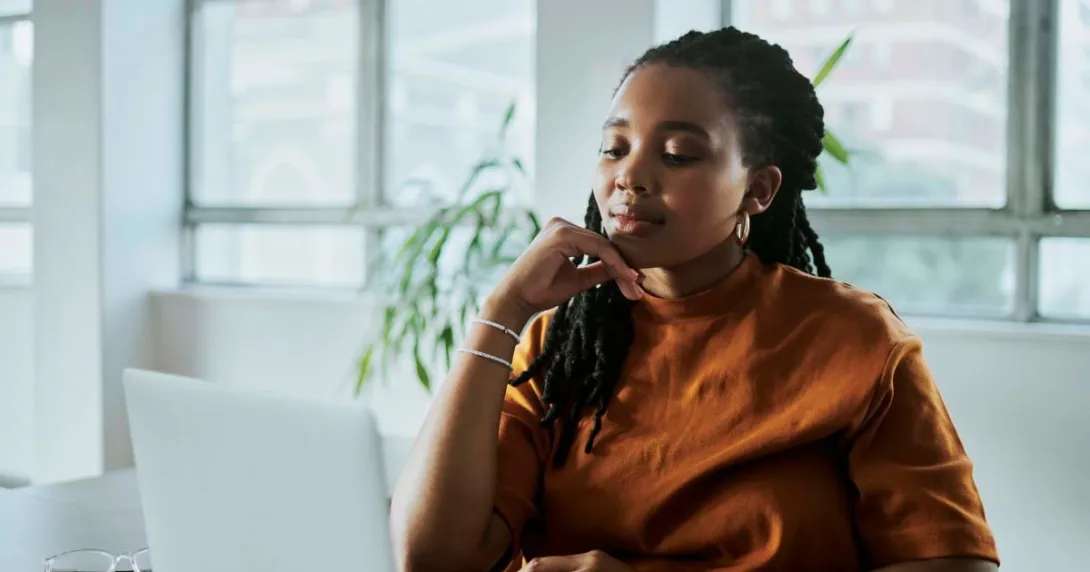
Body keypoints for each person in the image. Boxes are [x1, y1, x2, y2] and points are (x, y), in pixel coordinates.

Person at [389, 27, 1000, 572]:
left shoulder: (853, 339)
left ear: (757, 190)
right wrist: (501, 313)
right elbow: (431, 559)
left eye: (678, 154)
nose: (630, 177)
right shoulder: (561, 349)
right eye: (614, 147)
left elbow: (955, 565)